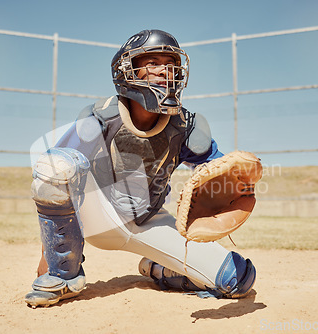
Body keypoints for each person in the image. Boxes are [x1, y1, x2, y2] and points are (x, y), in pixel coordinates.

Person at [25, 29, 256, 308]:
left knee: (238, 278)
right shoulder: (99, 117)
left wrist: (231, 185)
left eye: (171, 65)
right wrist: (47, 256)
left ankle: (159, 268)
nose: (164, 71)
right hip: (97, 216)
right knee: (58, 165)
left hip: (148, 220)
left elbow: (218, 171)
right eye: (153, 63)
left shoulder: (186, 126)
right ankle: (63, 274)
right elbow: (53, 175)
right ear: (127, 70)